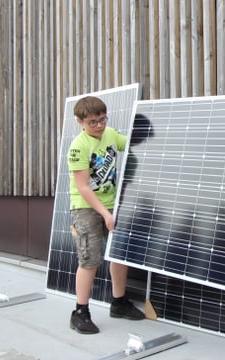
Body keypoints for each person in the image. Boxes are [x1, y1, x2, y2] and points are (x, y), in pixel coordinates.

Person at [68, 96, 145, 334]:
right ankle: (80, 312)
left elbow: (134, 141)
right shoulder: (78, 147)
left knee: (119, 254)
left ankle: (119, 303)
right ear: (79, 122)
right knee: (90, 260)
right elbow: (83, 187)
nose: (99, 125)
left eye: (102, 119)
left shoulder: (110, 134)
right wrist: (105, 213)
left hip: (112, 203)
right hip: (86, 207)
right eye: (93, 122)